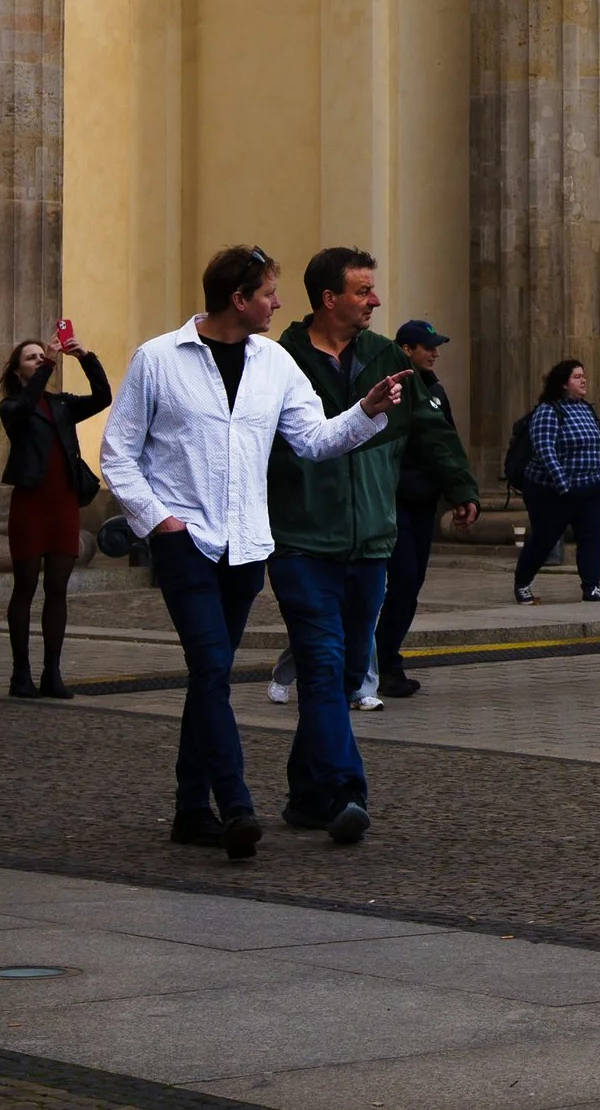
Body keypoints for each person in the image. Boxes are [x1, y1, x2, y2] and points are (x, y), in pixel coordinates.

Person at [101, 246, 404, 860]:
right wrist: (159, 522)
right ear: (238, 299)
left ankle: (191, 810)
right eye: (269, 292)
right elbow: (118, 453)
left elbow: (314, 440)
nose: (279, 302)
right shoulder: (159, 359)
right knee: (213, 670)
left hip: (246, 547)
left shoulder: (274, 363)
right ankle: (236, 804)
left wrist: (365, 412)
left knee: (206, 676)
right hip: (185, 541)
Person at [266, 248, 480, 836]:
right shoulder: (280, 361)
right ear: (329, 298)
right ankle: (343, 792)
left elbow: (429, 427)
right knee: (325, 661)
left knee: (339, 672)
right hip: (303, 538)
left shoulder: (387, 356)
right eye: (363, 291)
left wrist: (459, 483)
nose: (376, 300)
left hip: (371, 540)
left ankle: (306, 796)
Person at [0, 333, 111, 699]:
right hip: (31, 503)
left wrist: (85, 356)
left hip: (62, 502)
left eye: (39, 357)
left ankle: (52, 671)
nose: (38, 360)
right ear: (18, 372)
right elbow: (27, 408)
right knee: (26, 586)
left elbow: (102, 397)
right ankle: (20, 674)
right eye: (30, 359)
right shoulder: (12, 406)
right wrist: (47, 364)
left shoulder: (61, 404)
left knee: (57, 589)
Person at [374, 318, 470, 700]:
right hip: (394, 501)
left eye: (436, 346)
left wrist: (459, 491)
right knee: (399, 582)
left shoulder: (435, 391)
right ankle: (380, 662)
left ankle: (387, 658)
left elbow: (445, 443)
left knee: (410, 586)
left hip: (423, 502)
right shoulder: (394, 389)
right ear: (406, 350)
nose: (435, 352)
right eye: (426, 347)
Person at [512, 360, 600, 603]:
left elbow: (599, 448)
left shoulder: (586, 409)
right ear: (563, 383)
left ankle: (592, 586)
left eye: (583, 375)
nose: (583, 380)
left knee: (590, 538)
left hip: (589, 488)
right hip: (554, 491)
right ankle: (523, 583)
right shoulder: (548, 411)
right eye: (577, 377)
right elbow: (545, 449)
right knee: (544, 539)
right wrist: (563, 485)